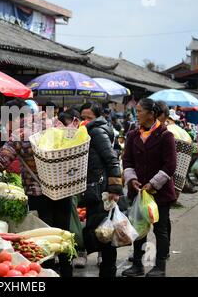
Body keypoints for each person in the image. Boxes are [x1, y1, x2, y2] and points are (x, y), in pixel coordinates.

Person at [0, 99, 75, 277]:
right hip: (63, 188)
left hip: (39, 193)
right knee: (64, 236)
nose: (6, 125)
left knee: (45, 241)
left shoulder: (20, 134)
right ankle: (67, 272)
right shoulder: (55, 124)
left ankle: (48, 273)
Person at [122, 98, 177, 277]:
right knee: (139, 229)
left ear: (151, 114)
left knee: (160, 229)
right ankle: (137, 264)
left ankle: (160, 266)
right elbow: (127, 161)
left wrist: (153, 183)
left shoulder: (165, 135)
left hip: (159, 192)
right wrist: (132, 180)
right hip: (138, 191)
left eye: (139, 111)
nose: (136, 114)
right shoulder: (132, 135)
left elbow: (170, 165)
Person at [79, 103, 124, 277]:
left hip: (102, 189)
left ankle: (108, 272)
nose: (84, 120)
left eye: (88, 117)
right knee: (102, 231)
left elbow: (112, 159)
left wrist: (114, 188)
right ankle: (107, 271)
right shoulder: (90, 131)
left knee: (105, 233)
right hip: (96, 187)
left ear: (96, 117)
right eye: (82, 117)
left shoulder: (97, 131)